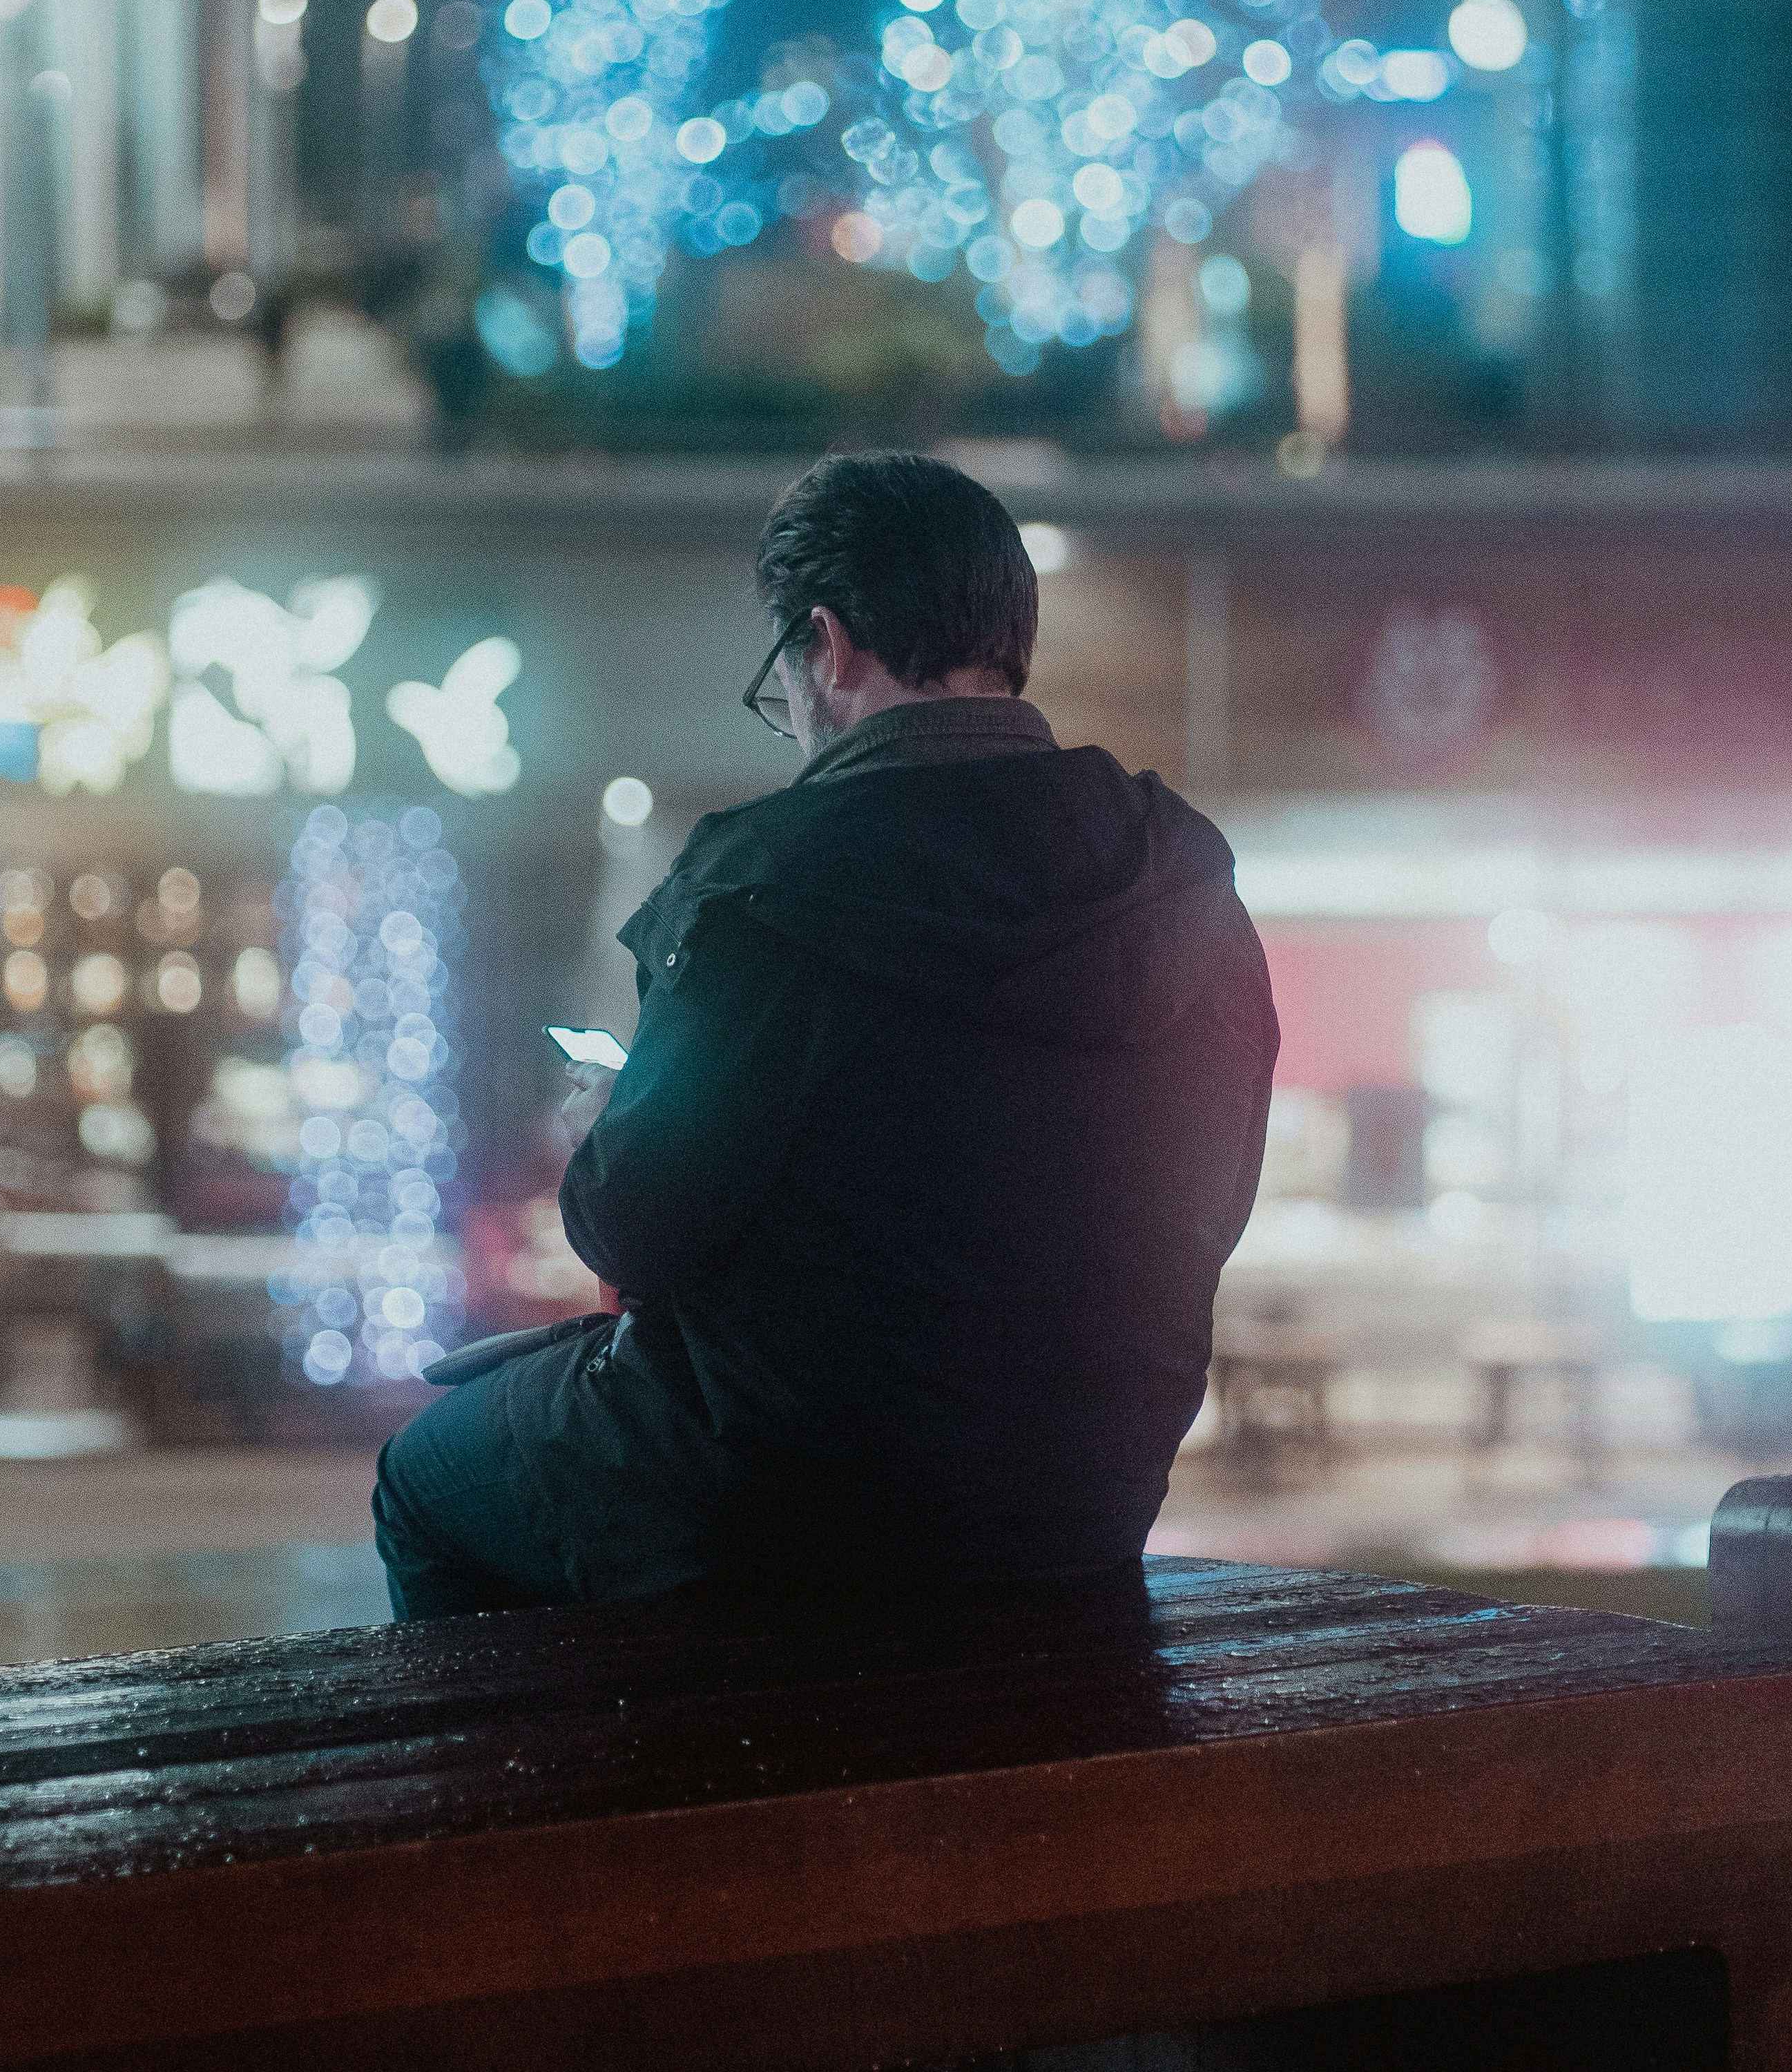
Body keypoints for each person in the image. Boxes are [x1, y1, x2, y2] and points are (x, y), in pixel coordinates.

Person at [372, 447, 1278, 1617]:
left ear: (829, 645)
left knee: (427, 1473)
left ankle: (584, 1795)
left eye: (785, 677)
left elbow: (634, 1229)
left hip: (788, 1493)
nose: (792, 717)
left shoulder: (768, 889)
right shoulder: (1181, 871)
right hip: (1082, 1498)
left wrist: (608, 1122)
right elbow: (1218, 1196)